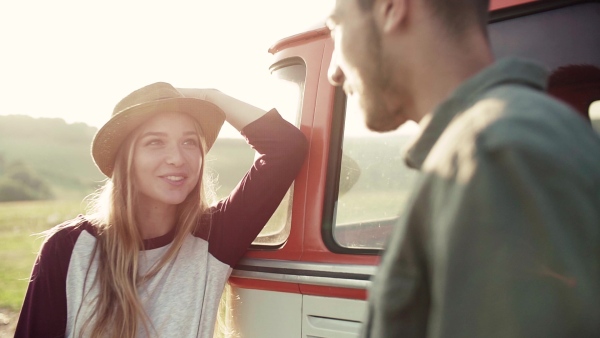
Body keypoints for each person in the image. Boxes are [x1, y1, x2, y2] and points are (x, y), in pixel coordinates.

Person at [326, 0, 600, 337]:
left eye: (335, 26)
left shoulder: (489, 153)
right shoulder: (488, 145)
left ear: (392, 8)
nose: (333, 72)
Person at [14, 82, 308, 337]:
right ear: (124, 158)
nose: (177, 158)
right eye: (155, 142)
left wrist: (209, 96)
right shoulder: (68, 248)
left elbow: (285, 146)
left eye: (189, 142)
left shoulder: (214, 238)